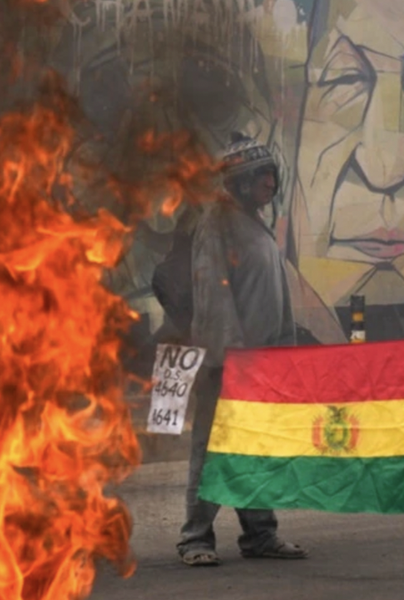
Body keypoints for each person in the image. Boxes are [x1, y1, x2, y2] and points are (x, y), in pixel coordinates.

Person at [177, 133, 311, 567]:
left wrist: (285, 353)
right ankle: (195, 539)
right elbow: (213, 294)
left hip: (261, 363)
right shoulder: (217, 222)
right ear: (239, 182)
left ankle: (260, 535)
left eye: (272, 174)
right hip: (228, 364)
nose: (270, 183)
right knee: (213, 450)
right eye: (261, 176)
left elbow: (277, 293)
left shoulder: (254, 222)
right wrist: (232, 357)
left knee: (256, 448)